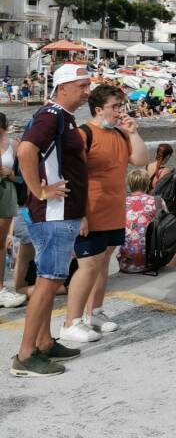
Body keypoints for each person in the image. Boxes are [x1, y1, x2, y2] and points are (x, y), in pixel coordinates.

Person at [11, 64, 92, 377]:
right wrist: (39, 190)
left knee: (50, 279)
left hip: (61, 213)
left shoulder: (62, 117)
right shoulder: (52, 115)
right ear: (63, 88)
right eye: (82, 86)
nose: (87, 92)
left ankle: (44, 342)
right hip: (54, 214)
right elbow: (26, 150)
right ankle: (26, 354)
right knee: (49, 281)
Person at [60, 85, 148, 342]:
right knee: (87, 265)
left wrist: (133, 133)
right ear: (99, 109)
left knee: (102, 263)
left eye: (121, 106)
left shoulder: (121, 134)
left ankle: (94, 312)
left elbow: (141, 160)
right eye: (115, 107)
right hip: (91, 208)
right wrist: (80, 214)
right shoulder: (83, 134)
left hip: (114, 208)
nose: (120, 111)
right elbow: (71, 177)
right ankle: (71, 322)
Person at [0, 111, 26, 307]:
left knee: (1, 242)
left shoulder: (14, 144)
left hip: (6, 191)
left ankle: (0, 288)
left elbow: (23, 178)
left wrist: (10, 175)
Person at [118, 169, 162, 273]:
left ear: (130, 184)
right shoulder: (156, 201)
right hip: (150, 262)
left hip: (126, 264)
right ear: (147, 183)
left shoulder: (121, 203)